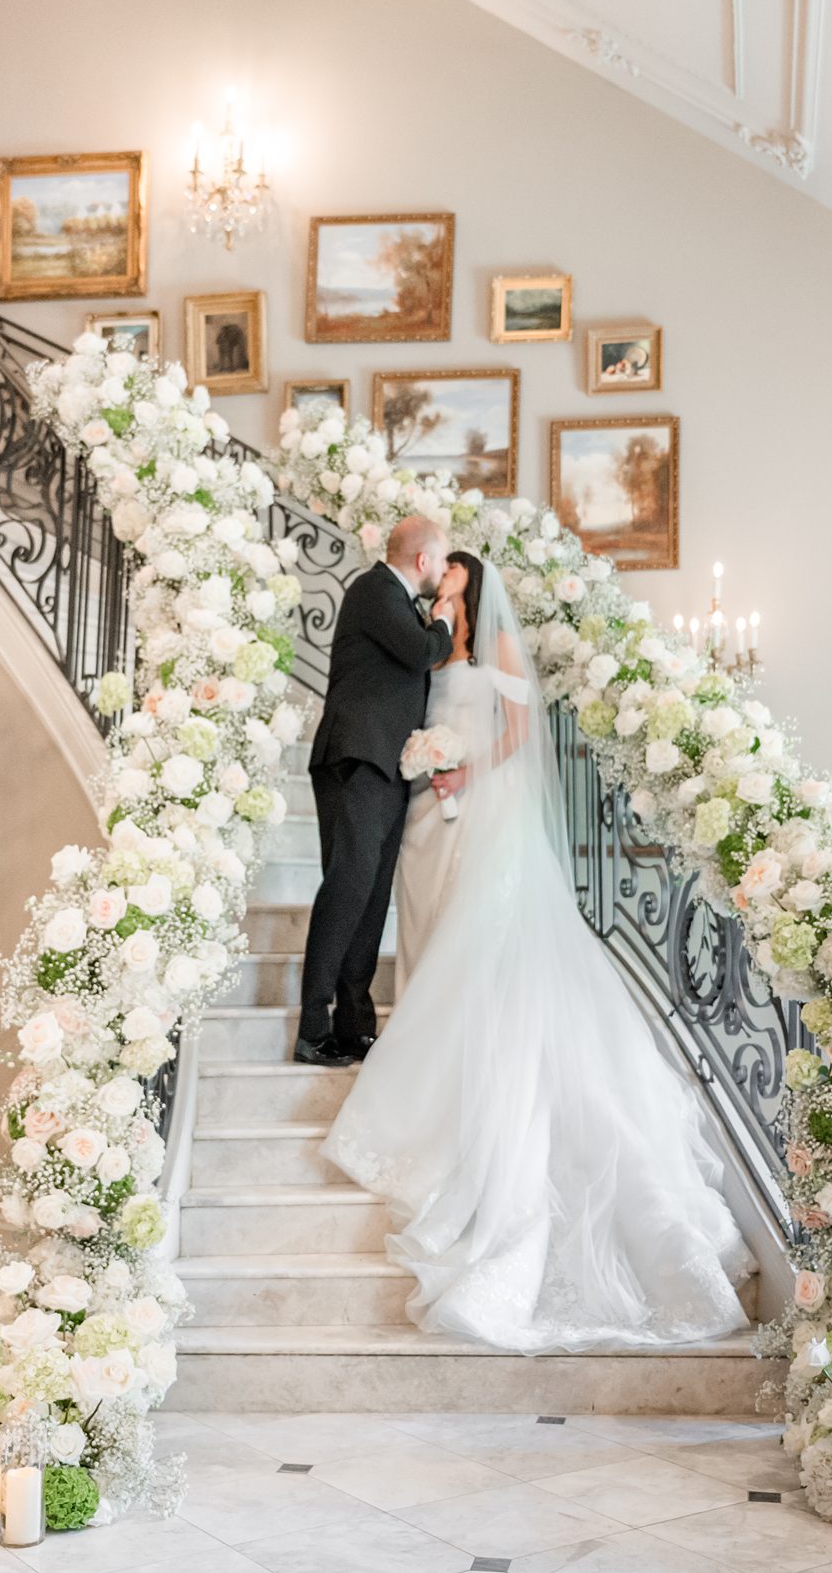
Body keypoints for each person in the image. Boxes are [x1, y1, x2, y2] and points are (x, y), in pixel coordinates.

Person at [321, 551, 755, 1352]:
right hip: (429, 809)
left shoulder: (499, 652)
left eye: (452, 575)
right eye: (437, 575)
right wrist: (426, 762)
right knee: (426, 931)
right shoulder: (429, 645)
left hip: (482, 806)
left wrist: (462, 772)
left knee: (477, 942)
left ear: (472, 585)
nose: (441, 583)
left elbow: (519, 732)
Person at [296, 516, 457, 1067]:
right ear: (422, 561)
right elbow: (420, 652)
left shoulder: (398, 599)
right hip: (354, 759)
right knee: (347, 889)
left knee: (370, 899)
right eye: (441, 559)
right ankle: (312, 1027)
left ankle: (353, 1025)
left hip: (387, 768)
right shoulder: (375, 589)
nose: (441, 569)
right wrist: (445, 621)